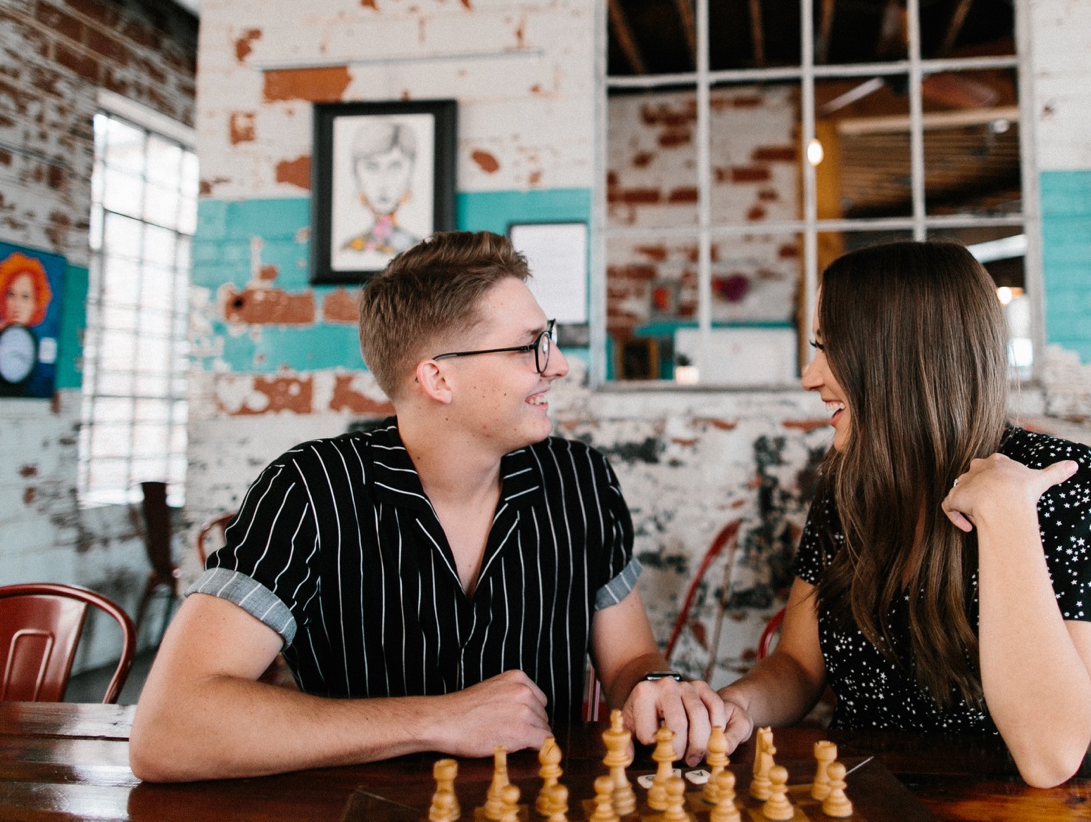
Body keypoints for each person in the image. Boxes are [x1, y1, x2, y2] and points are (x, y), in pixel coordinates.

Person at [131, 231, 724, 782]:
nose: (559, 365)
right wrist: (437, 718)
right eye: (529, 347)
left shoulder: (582, 480)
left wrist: (656, 685)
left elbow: (630, 659)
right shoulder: (310, 490)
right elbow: (167, 729)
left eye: (550, 341)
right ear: (437, 379)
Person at [716, 240, 1091, 788]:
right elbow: (800, 667)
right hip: (859, 791)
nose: (810, 376)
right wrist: (736, 705)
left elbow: (1051, 755)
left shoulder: (1057, 478)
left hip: (997, 802)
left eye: (830, 349)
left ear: (901, 359)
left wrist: (1007, 514)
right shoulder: (845, 478)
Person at [0, 251, 52, 397]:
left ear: (36, 303)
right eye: (11, 295)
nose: (17, 304)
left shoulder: (35, 341)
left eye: (25, 297)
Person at [342, 120, 421, 256]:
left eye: (395, 166)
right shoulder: (348, 250)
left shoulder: (420, 250)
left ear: (410, 171)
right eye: (372, 166)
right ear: (356, 172)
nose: (383, 181)